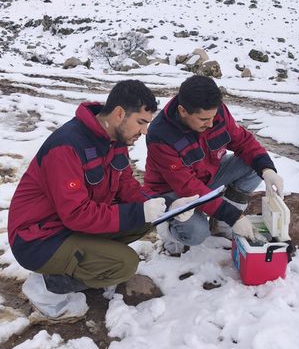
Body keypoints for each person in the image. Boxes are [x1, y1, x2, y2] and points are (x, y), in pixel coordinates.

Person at [7, 80, 193, 321]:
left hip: (67, 226)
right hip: (38, 239)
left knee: (145, 219)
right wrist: (139, 211)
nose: (145, 131)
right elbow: (76, 214)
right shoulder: (67, 146)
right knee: (125, 264)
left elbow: (127, 185)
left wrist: (165, 206)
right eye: (141, 122)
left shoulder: (115, 140)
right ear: (119, 114)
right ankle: (49, 285)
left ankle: (81, 262)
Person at [144, 75, 284, 254]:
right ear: (183, 111)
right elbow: (187, 186)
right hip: (174, 193)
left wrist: (267, 169)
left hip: (208, 175)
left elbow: (243, 142)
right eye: (203, 120)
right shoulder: (160, 135)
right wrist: (235, 216)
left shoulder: (215, 113)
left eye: (213, 116)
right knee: (196, 232)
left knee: (254, 165)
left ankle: (221, 225)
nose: (211, 123)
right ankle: (168, 228)